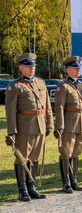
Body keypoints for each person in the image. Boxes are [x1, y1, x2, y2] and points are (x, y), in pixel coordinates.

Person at [5, 53, 53, 201]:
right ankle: (23, 190)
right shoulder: (15, 86)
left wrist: (50, 123)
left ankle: (31, 186)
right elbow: (10, 111)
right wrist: (12, 132)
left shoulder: (40, 82)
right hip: (24, 127)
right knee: (22, 158)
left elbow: (48, 105)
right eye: (28, 66)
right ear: (21, 68)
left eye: (33, 66)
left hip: (40, 125)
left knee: (34, 157)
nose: (32, 68)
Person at [54, 56, 82, 193]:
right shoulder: (62, 86)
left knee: (76, 152)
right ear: (68, 70)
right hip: (68, 125)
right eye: (75, 68)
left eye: (79, 68)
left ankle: (74, 180)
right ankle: (66, 183)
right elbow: (59, 107)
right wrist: (60, 126)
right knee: (66, 153)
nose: (78, 70)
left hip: (81, 124)